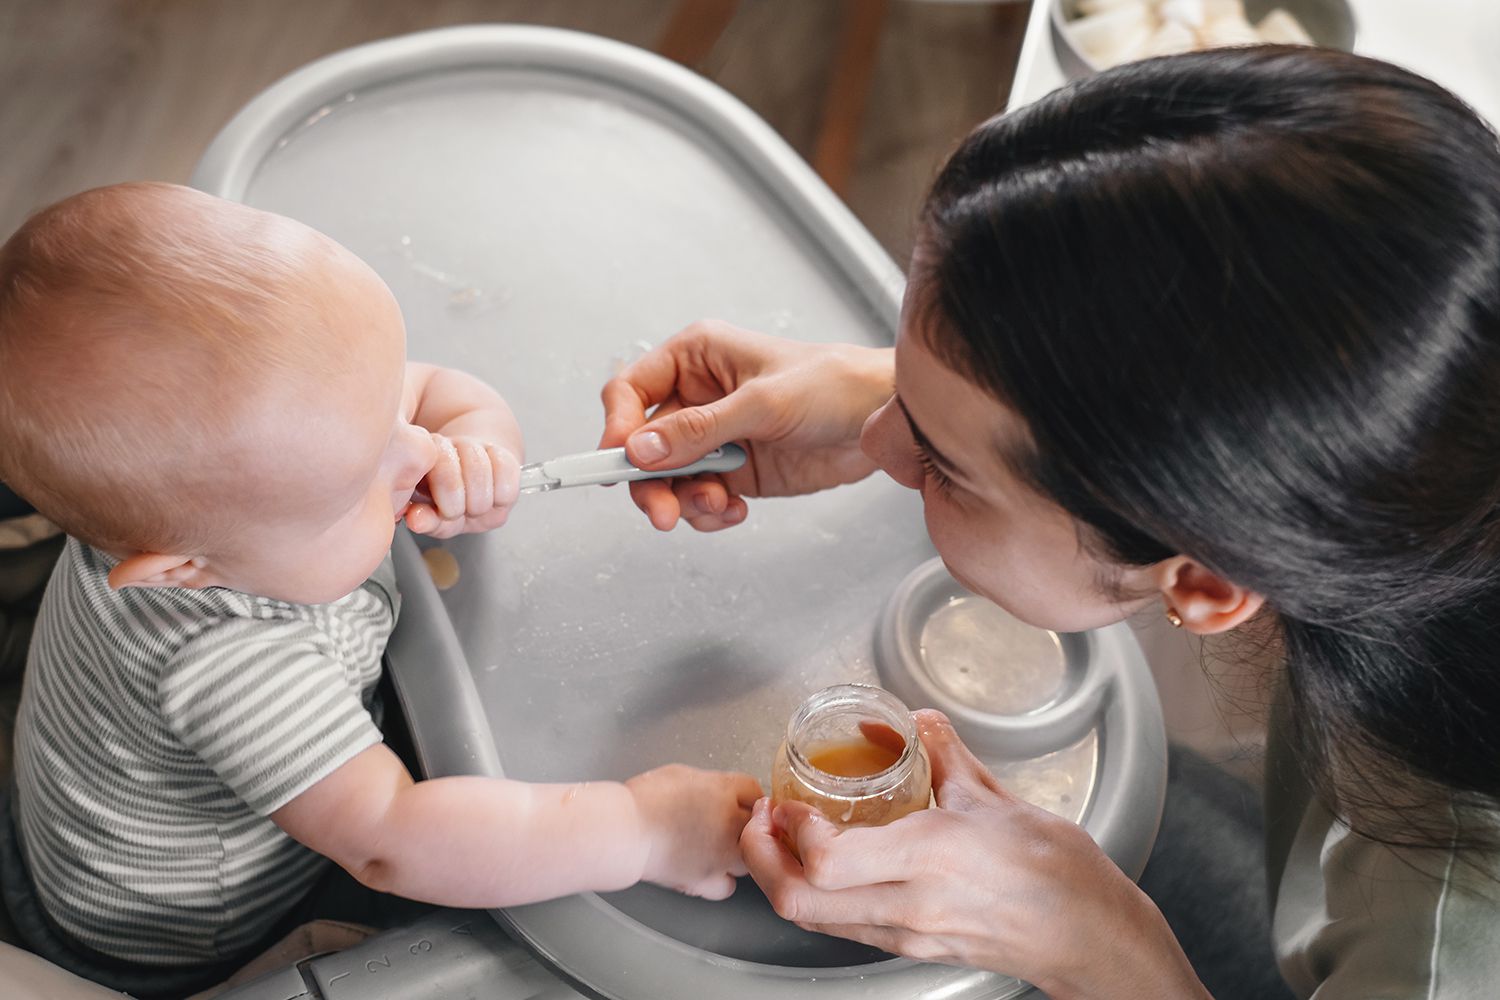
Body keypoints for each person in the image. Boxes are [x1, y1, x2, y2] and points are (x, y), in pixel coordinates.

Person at [600, 46, 1500, 1000]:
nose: (875, 440)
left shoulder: (1447, 945)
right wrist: (911, 395)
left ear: (1205, 582)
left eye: (939, 464)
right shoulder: (1444, 411)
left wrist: (1100, 949)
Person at [0, 183, 760, 996]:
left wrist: (478, 442)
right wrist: (640, 831)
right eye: (359, 483)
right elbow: (392, 838)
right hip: (179, 936)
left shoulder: (228, 475)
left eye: (391, 414)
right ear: (183, 571)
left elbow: (433, 393)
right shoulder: (227, 660)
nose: (413, 453)